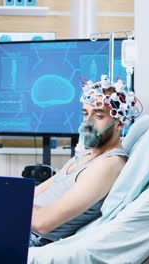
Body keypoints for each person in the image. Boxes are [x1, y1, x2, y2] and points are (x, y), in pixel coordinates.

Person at [30, 75, 142, 247]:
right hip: (19, 226)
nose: (86, 124)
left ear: (120, 124)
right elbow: (33, 193)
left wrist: (11, 206)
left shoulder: (108, 165)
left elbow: (43, 223)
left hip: (31, 238)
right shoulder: (83, 157)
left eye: (97, 116)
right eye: (85, 114)